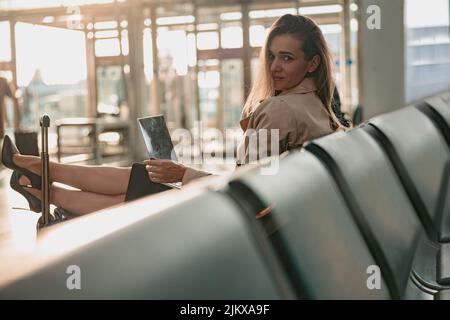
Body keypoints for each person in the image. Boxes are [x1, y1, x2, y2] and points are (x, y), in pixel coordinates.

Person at [2, 14, 344, 216]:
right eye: (271, 57)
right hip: (276, 213)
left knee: (140, 191)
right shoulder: (322, 111)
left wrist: (182, 173)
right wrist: (183, 174)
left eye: (286, 58)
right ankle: (38, 177)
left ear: (312, 63)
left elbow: (245, 187)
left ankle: (36, 175)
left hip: (246, 218)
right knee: (141, 181)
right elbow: (259, 180)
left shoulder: (280, 109)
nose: (274, 67)